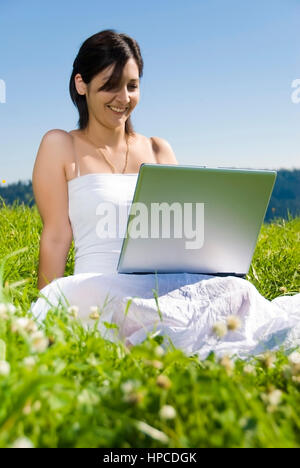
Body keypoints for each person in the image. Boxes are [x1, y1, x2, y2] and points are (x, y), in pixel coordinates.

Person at [30, 29, 300, 360]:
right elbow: (56, 236)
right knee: (102, 301)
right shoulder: (60, 145)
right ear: (81, 84)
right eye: (110, 85)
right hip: (100, 286)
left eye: (132, 85)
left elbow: (185, 240)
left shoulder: (158, 149)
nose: (123, 97)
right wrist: (44, 312)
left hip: (164, 286)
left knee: (237, 290)